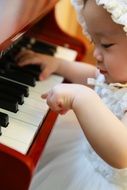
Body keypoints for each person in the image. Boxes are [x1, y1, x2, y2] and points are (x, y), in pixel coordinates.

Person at [17, 0, 127, 189]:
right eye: (94, 42)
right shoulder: (117, 77)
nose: (96, 54)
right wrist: (60, 65)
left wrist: (82, 98)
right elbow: (93, 77)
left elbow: (121, 154)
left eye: (106, 45)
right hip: (83, 157)